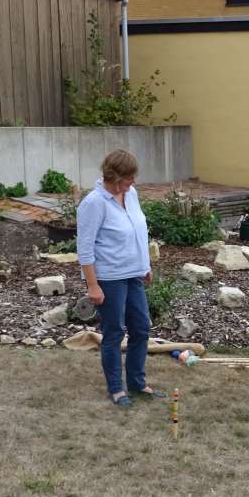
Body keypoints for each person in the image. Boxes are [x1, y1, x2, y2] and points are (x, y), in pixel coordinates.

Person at [77, 150, 159, 407]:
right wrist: (92, 285)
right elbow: (85, 248)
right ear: (113, 176)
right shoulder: (94, 203)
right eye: (129, 177)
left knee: (141, 328)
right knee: (113, 333)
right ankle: (116, 389)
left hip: (134, 273)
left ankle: (137, 382)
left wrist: (145, 265)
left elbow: (138, 230)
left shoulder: (131, 195)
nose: (133, 181)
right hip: (109, 278)